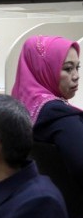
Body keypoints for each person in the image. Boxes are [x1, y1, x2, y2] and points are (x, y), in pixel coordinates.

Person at [11, 35, 83, 187]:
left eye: (77, 67)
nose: (76, 76)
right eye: (67, 68)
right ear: (42, 69)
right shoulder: (59, 116)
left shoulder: (20, 103)